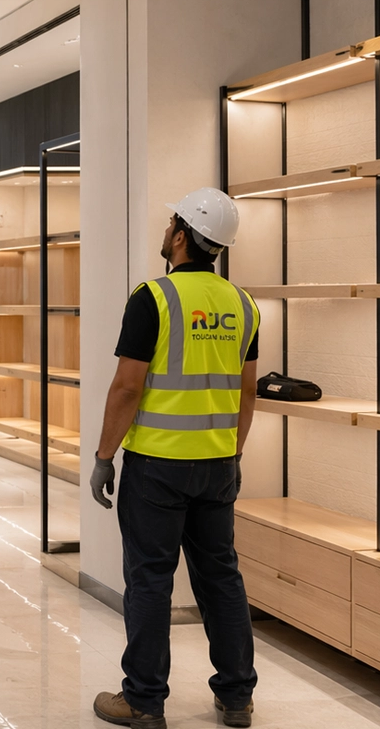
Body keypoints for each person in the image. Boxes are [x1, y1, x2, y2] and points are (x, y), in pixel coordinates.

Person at [88, 188, 260, 729]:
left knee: (150, 581)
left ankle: (143, 700)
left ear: (182, 236)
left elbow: (126, 388)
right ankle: (236, 698)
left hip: (157, 468)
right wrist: (231, 454)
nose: (165, 232)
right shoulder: (244, 304)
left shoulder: (152, 298)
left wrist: (103, 456)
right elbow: (247, 393)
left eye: (170, 224)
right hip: (215, 465)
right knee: (221, 580)